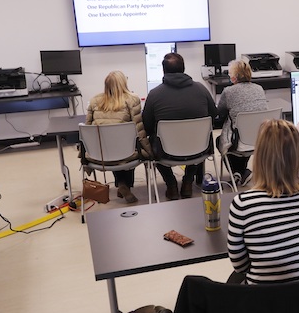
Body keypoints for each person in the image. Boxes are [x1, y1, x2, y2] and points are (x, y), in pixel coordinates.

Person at [226, 119, 299, 313]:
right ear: (297, 157)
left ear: (258, 156)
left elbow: (240, 265)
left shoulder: (243, 204)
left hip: (265, 310)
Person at [142, 52, 217, 200]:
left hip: (165, 153)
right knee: (200, 138)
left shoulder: (154, 94)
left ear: (163, 71)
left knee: (151, 142)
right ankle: (188, 181)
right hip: (199, 150)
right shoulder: (201, 89)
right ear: (184, 68)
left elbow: (147, 126)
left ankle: (171, 185)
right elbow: (213, 115)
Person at [85, 70, 152, 203]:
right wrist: (149, 151)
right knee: (131, 145)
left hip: (100, 154)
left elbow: (86, 131)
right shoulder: (132, 99)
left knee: (112, 146)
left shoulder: (94, 101)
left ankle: (121, 183)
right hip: (126, 153)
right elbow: (140, 130)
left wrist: (84, 155)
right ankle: (125, 185)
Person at [216, 59, 268, 187]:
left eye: (229, 73)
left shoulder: (228, 91)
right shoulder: (259, 88)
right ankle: (241, 172)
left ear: (234, 77)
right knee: (244, 135)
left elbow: (220, 112)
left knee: (221, 141)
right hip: (260, 139)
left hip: (239, 141)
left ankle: (238, 172)